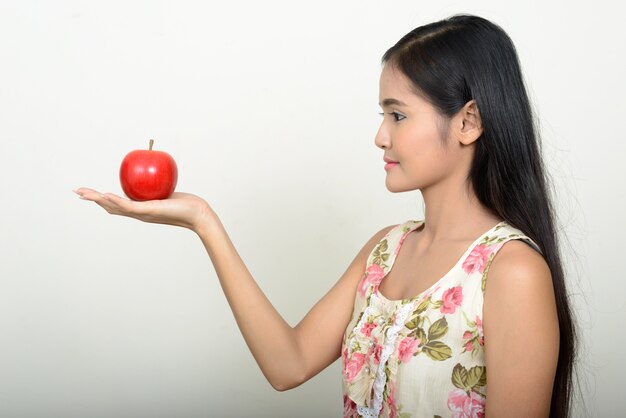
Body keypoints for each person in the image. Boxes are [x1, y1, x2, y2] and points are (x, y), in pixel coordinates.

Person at [76, 13, 577, 418]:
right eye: (381, 115)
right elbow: (286, 364)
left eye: (397, 115)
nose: (380, 136)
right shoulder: (386, 249)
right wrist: (202, 219)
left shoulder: (511, 272)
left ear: (468, 121)